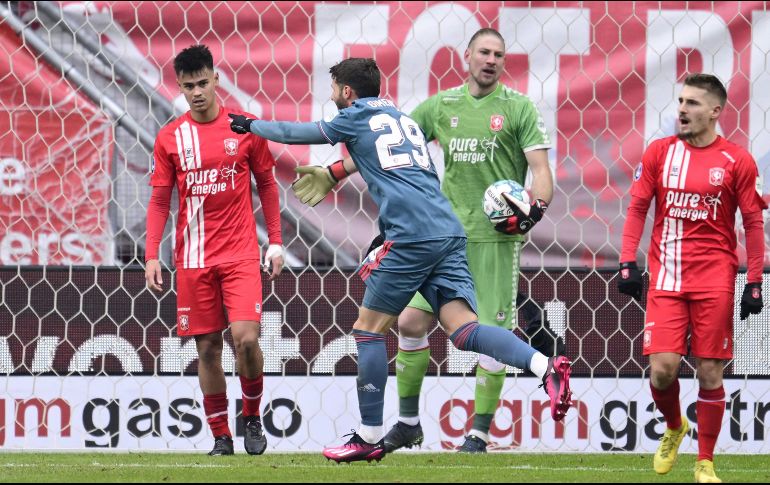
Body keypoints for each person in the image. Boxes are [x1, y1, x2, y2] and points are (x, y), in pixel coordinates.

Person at [229, 57, 572, 464]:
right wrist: (336, 174)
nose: (332, 96)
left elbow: (300, 132)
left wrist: (252, 125)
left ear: (346, 92)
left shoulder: (354, 116)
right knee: (464, 331)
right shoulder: (403, 119)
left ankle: (369, 435)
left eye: (333, 89)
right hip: (447, 229)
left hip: (412, 237)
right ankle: (545, 366)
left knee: (369, 331)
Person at [379, 27, 562, 454]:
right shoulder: (443, 105)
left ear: (503, 62)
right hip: (444, 238)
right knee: (408, 321)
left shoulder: (517, 109)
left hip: (495, 241)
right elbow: (397, 146)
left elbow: (540, 170)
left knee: (492, 335)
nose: (491, 60)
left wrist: (535, 209)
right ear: (467, 56)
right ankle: (408, 422)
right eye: (484, 52)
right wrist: (341, 172)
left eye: (498, 54)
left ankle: (478, 434)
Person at [617, 73, 766, 483]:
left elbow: (753, 224)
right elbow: (637, 210)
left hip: (715, 278)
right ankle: (674, 425)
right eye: (680, 100)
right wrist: (627, 260)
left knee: (709, 372)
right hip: (666, 276)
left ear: (716, 111)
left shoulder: (736, 161)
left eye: (694, 103)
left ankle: (705, 463)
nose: (683, 109)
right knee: (662, 370)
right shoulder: (659, 153)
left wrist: (754, 281)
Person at [144, 44, 285, 456]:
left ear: (216, 78)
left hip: (241, 254)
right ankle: (221, 436)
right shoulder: (170, 137)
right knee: (207, 347)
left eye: (203, 82)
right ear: (180, 87)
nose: (197, 92)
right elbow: (158, 201)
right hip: (192, 258)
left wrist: (275, 242)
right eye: (189, 86)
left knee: (245, 339)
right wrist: (152, 254)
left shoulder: (245, 128)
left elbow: (268, 186)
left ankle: (253, 416)